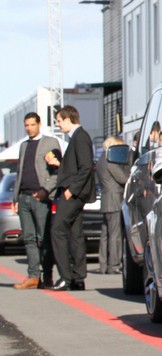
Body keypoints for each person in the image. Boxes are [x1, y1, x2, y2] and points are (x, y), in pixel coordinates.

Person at [11, 113, 61, 290]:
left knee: (44, 238)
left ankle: (47, 276)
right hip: (24, 197)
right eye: (26, 125)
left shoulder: (50, 142)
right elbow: (19, 171)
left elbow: (57, 171)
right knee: (29, 238)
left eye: (32, 124)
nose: (29, 128)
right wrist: (15, 198)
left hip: (41, 198)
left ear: (39, 124)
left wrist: (45, 190)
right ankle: (33, 276)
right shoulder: (24, 145)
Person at [49, 106, 96, 291]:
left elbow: (86, 167)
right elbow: (76, 166)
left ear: (68, 119)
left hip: (74, 194)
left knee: (57, 230)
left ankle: (65, 277)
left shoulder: (80, 137)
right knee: (75, 234)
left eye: (59, 121)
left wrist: (72, 190)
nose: (58, 124)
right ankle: (78, 277)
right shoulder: (77, 138)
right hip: (76, 193)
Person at [95, 135, 129, 274]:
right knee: (115, 234)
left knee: (105, 235)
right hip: (114, 199)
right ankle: (114, 265)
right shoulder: (110, 160)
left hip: (106, 199)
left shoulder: (101, 160)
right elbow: (122, 178)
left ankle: (103, 265)